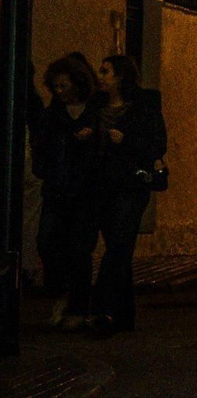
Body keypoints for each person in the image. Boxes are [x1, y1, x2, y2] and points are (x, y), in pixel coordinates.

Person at [88, 55, 167, 336]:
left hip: (131, 185)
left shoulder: (143, 105)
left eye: (106, 71)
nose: (101, 75)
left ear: (121, 76)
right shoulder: (96, 105)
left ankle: (100, 308)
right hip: (104, 185)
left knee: (119, 245)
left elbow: (158, 143)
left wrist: (127, 140)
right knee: (118, 249)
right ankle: (123, 316)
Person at [33, 54, 99, 328]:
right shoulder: (54, 114)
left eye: (64, 86)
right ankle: (60, 291)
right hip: (58, 188)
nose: (60, 92)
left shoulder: (95, 110)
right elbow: (43, 147)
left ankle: (79, 307)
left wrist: (90, 137)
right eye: (56, 87)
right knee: (46, 241)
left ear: (77, 83)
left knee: (80, 248)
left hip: (85, 192)